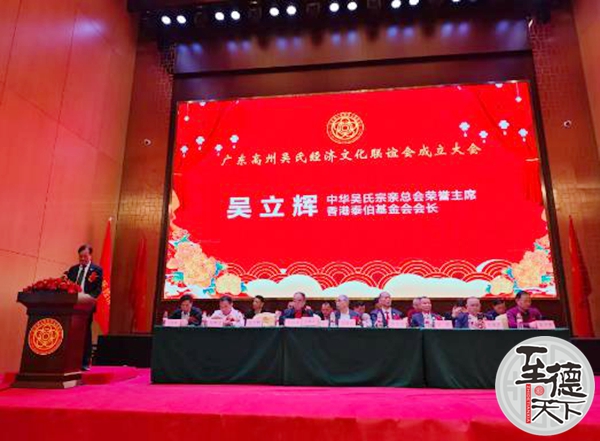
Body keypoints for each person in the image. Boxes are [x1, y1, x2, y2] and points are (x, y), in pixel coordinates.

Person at [64, 244, 104, 371]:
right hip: (71, 305)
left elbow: (98, 289)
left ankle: (85, 362)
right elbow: (67, 285)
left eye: (85, 256)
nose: (82, 259)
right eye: (80, 256)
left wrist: (88, 298)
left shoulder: (97, 270)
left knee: (85, 333)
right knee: (70, 332)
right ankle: (69, 361)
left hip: (86, 306)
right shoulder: (73, 270)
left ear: (90, 256)